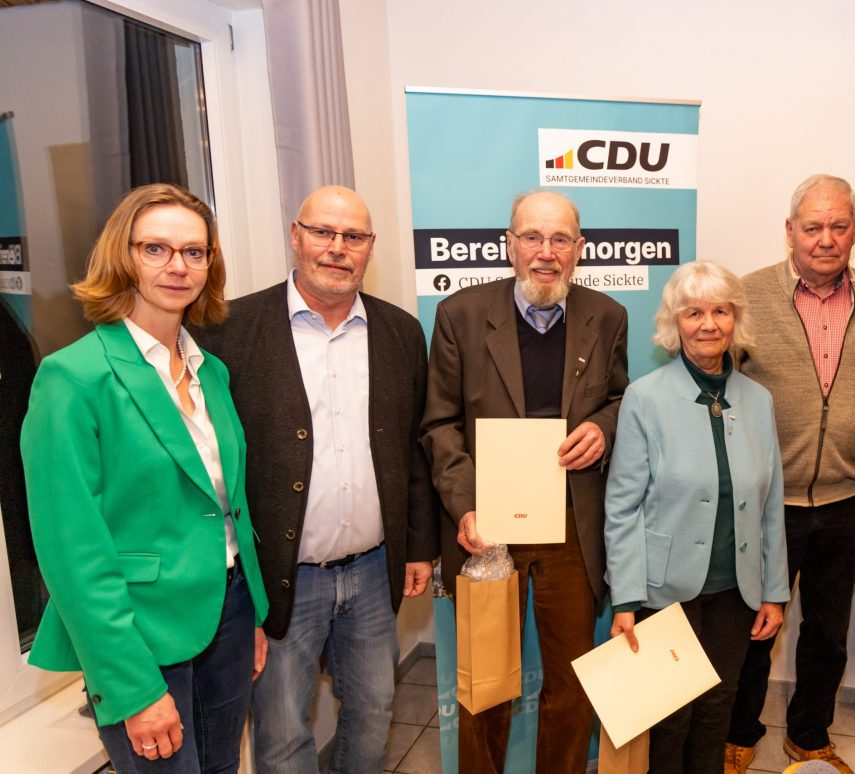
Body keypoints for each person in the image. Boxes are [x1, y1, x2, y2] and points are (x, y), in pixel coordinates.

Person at [21, 183, 269, 773]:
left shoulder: (211, 372)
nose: (178, 266)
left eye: (194, 252)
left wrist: (252, 615)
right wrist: (131, 688)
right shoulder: (73, 378)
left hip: (229, 612)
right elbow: (73, 554)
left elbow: (227, 505)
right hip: (140, 633)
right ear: (122, 256)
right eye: (155, 248)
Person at [197, 185, 438, 773]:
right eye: (323, 232)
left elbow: (412, 449)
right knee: (282, 737)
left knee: (374, 716)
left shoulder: (400, 332)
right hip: (281, 579)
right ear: (295, 236)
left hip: (373, 571)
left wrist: (418, 546)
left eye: (353, 236)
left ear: (370, 247)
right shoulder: (229, 331)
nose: (337, 248)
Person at [422, 190, 629, 774]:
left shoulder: (607, 316)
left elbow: (620, 399)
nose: (546, 252)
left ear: (579, 249)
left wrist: (604, 428)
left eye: (560, 239)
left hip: (572, 526)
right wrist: (466, 508)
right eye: (532, 237)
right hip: (487, 526)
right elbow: (439, 424)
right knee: (486, 686)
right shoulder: (460, 315)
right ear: (509, 244)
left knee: (571, 685)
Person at [724, 174, 855, 774]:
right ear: (790, 231)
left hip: (848, 501)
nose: (825, 239)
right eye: (812, 227)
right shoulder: (748, 295)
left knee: (828, 632)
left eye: (838, 225)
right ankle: (738, 734)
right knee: (753, 629)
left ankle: (808, 735)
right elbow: (715, 396)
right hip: (765, 502)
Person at [604, 260, 790, 773]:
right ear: (675, 323)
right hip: (664, 589)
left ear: (735, 319)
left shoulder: (758, 400)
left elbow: (771, 502)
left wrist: (775, 591)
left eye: (720, 311)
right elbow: (622, 506)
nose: (708, 324)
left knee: (716, 707)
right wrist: (626, 597)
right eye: (694, 313)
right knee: (671, 715)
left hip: (737, 589)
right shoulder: (645, 397)